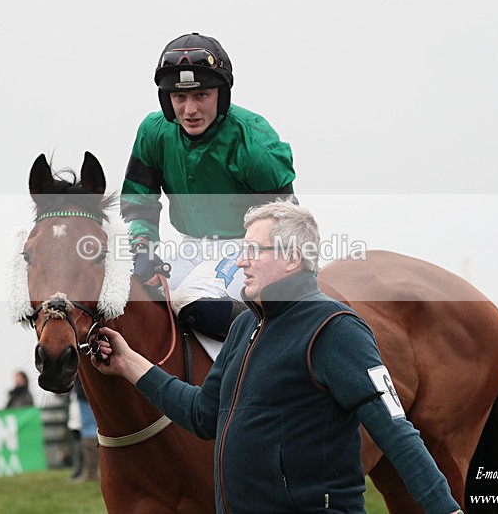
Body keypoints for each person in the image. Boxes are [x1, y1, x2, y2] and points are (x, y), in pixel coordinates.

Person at [91, 200, 463, 513]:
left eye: (253, 250)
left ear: (291, 259)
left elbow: (394, 430)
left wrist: (445, 510)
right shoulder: (243, 329)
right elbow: (202, 415)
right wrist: (129, 362)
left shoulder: (335, 328)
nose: (239, 263)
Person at [121, 32, 296, 340]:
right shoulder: (153, 132)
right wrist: (143, 249)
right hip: (188, 246)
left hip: (248, 247)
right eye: (179, 97)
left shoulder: (252, 137)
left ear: (221, 94)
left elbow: (284, 220)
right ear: (167, 99)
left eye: (201, 95)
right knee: (124, 296)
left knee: (193, 297)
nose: (189, 110)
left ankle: (268, 351)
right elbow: (140, 204)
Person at [67, 380, 100, 482]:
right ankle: (93, 473)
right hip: (88, 395)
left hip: (87, 395)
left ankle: (92, 474)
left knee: (90, 434)